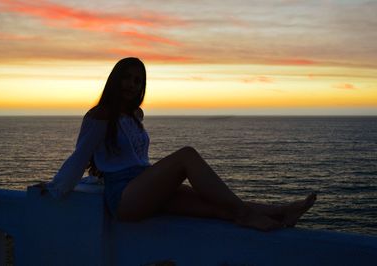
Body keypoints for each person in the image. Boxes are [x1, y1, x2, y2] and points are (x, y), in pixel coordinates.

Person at [43, 57, 316, 232]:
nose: (131, 84)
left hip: (145, 185)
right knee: (187, 156)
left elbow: (137, 160)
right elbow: (80, 157)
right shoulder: (99, 116)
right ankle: (247, 215)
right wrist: (55, 189)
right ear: (115, 80)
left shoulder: (135, 116)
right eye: (126, 77)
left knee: (215, 206)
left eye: (138, 81)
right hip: (125, 196)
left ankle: (283, 213)